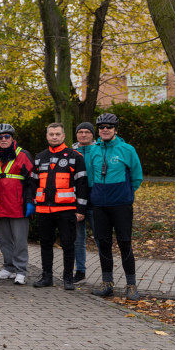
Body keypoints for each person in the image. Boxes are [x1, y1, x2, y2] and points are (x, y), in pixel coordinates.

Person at [85, 113, 143, 300]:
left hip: (121, 205)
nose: (105, 129)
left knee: (124, 242)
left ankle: (131, 285)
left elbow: (137, 176)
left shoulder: (127, 149)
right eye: (101, 127)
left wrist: (126, 193)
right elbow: (91, 177)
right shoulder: (94, 150)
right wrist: (95, 196)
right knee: (103, 243)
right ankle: (107, 283)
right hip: (100, 205)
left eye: (109, 127)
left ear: (115, 130)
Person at [29, 123, 89, 290]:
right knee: (45, 244)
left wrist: (81, 210)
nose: (54, 137)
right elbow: (33, 183)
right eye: (51, 134)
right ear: (47, 136)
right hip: (44, 210)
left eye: (57, 134)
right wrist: (32, 203)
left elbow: (82, 185)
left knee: (68, 244)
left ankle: (68, 279)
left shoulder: (75, 157)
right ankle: (46, 277)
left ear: (63, 136)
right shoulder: (40, 157)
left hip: (66, 209)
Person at [0, 123, 34, 285]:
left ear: (12, 138)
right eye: (0, 137)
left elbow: (32, 181)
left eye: (6, 136)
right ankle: (8, 267)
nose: (3, 139)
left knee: (20, 241)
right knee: (4, 240)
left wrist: (30, 201)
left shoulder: (23, 155)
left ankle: (21, 270)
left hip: (18, 205)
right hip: (1, 205)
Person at [72, 121, 96, 282]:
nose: (84, 135)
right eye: (80, 132)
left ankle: (106, 273)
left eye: (87, 132)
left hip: (96, 198)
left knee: (100, 237)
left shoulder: (99, 150)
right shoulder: (71, 152)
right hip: (76, 199)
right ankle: (80, 270)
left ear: (92, 134)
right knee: (78, 239)